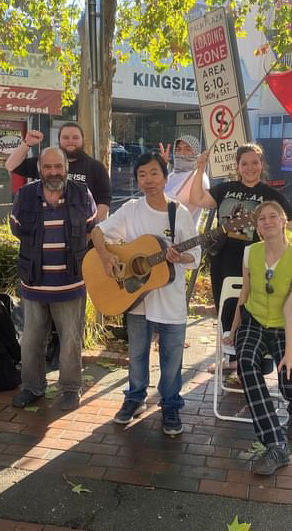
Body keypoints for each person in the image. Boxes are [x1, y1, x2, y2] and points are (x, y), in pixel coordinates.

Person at [189, 143, 292, 367]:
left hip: (255, 258)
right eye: (244, 163)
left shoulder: (270, 194)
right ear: (237, 166)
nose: (250, 167)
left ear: (261, 165)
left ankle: (252, 360)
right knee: (225, 307)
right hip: (222, 258)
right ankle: (232, 358)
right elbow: (197, 199)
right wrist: (200, 168)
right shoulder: (226, 189)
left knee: (249, 306)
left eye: (254, 162)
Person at [91, 153, 200, 436]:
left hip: (170, 300)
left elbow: (197, 255)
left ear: (165, 177)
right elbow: (98, 233)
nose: (148, 180)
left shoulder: (180, 213)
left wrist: (181, 256)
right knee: (137, 354)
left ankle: (171, 404)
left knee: (171, 357)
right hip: (135, 297)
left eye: (154, 173)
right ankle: (135, 398)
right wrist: (105, 259)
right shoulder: (131, 209)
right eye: (142, 174)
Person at [224, 201, 292, 475]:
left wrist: (288, 352)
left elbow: (291, 307)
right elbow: (244, 294)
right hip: (254, 321)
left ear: (283, 222)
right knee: (246, 363)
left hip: (284, 325)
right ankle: (275, 444)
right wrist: (234, 330)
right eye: (261, 218)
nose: (267, 221)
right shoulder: (250, 253)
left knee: (289, 375)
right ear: (257, 225)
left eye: (273, 216)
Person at [9, 147, 97, 411]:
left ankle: (70, 389)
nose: (53, 172)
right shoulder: (25, 196)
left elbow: (92, 229)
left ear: (66, 168)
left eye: (58, 166)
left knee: (71, 341)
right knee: (32, 339)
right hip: (34, 283)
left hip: (70, 283)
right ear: (39, 169)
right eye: (47, 167)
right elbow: (17, 230)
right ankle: (32, 387)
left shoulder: (82, 194)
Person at [5, 121, 111, 221]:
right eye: (65, 137)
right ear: (59, 140)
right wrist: (27, 144)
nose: (70, 141)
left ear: (83, 140)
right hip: (45, 232)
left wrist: (88, 228)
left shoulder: (96, 167)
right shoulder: (44, 162)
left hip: (81, 234)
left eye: (75, 138)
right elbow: (10, 166)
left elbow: (104, 201)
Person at [160, 135, 210, 226]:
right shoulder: (173, 174)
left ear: (196, 153)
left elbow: (165, 204)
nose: (182, 153)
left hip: (181, 236)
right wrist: (162, 168)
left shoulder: (197, 176)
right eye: (178, 149)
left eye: (188, 149)